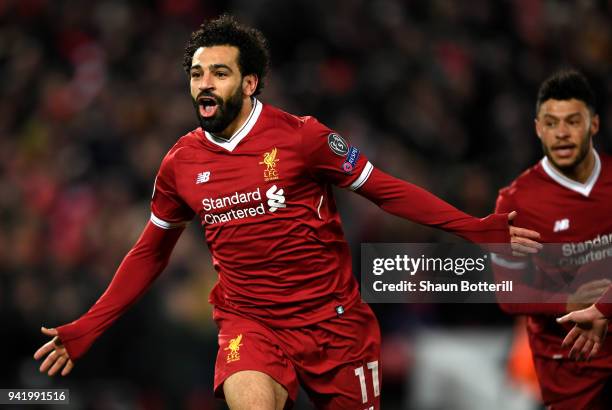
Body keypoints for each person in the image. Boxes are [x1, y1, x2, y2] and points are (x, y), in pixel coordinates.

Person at [34, 15, 540, 410]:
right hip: (251, 324)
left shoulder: (304, 138)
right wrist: (87, 327)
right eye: (196, 74)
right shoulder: (180, 163)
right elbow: (150, 252)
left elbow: (386, 190)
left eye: (219, 73)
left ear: (250, 82)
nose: (204, 85)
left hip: (334, 324)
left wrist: (475, 229)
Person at [492, 69, 612, 409]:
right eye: (551, 122)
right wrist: (569, 303)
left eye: (573, 121)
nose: (561, 133)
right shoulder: (516, 201)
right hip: (570, 369)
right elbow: (508, 295)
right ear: (537, 129)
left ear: (594, 124)